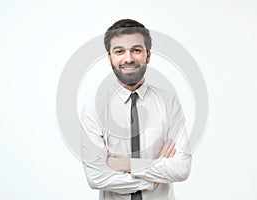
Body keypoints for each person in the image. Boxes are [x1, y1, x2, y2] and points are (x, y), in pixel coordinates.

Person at [80, 19, 192, 200]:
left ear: (148, 55)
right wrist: (155, 173)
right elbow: (96, 177)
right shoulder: (93, 110)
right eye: (119, 51)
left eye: (136, 50)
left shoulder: (169, 103)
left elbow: (181, 169)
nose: (129, 58)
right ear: (110, 58)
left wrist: (125, 164)